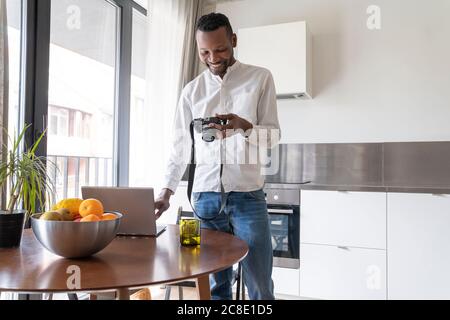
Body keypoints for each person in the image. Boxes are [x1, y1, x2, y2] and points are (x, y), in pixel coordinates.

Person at [154, 12, 280, 300]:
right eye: (205, 52)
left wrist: (245, 126)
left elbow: (273, 136)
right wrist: (166, 191)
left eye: (220, 49)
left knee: (259, 283)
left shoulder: (260, 78)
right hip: (204, 199)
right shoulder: (191, 92)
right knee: (213, 285)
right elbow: (179, 147)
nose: (213, 58)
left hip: (247, 196)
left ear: (233, 40)